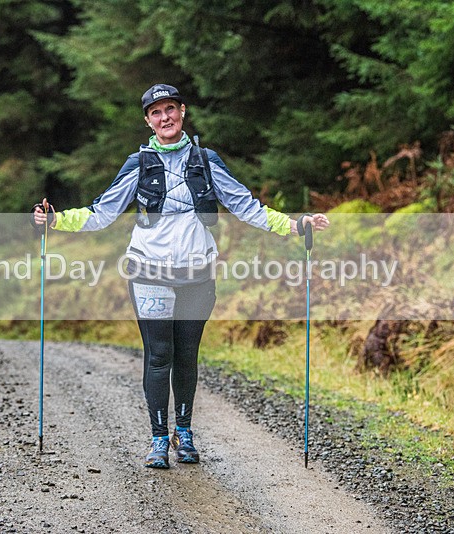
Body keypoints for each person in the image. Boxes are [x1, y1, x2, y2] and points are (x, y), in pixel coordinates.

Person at [33, 83, 329, 469]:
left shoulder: (206, 160)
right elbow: (101, 213)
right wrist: (56, 220)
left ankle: (183, 433)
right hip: (148, 271)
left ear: (182, 111)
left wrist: (293, 225)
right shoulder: (138, 164)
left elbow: (246, 205)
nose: (165, 117)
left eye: (170, 109)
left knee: (186, 355)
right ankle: (159, 439)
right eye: (156, 112)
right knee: (160, 355)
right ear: (148, 121)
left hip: (197, 274)